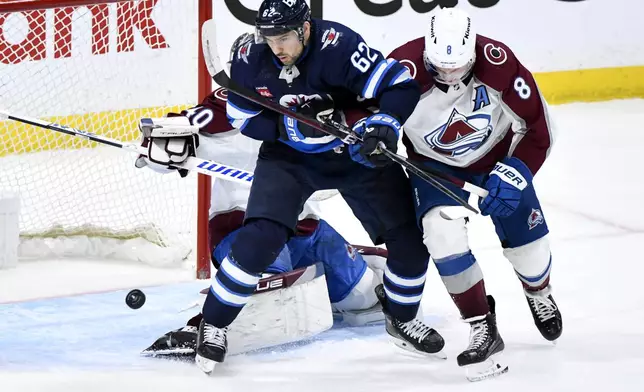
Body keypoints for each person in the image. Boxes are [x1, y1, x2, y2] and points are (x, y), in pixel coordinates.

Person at [139, 9, 444, 372]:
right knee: (261, 255)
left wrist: (383, 123)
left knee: (387, 269)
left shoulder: (338, 49)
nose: (277, 48)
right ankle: (211, 324)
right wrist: (286, 130)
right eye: (269, 40)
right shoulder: (243, 75)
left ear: (304, 28)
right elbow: (209, 122)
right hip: (268, 188)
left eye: (283, 38)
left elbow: (397, 87)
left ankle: (397, 314)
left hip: (330, 189)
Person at [385, 6, 562, 379]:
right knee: (441, 235)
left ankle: (539, 293)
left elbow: (538, 126)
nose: (449, 73)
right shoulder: (402, 70)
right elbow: (370, 117)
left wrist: (515, 173)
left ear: (473, 51)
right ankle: (481, 323)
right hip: (436, 170)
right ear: (427, 52)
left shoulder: (498, 63)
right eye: (440, 66)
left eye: (458, 66)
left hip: (497, 161)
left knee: (532, 254)